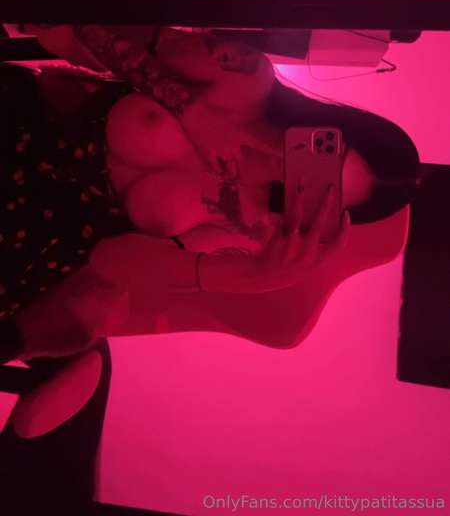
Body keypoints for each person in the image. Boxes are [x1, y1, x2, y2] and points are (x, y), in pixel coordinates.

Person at [0, 24, 422, 362]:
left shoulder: (250, 225)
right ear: (334, 126)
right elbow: (95, 27)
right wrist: (191, 108)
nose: (303, 171)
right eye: (327, 151)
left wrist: (250, 277)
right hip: (21, 123)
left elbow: (109, 263)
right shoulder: (246, 79)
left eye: (323, 191)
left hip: (30, 238)